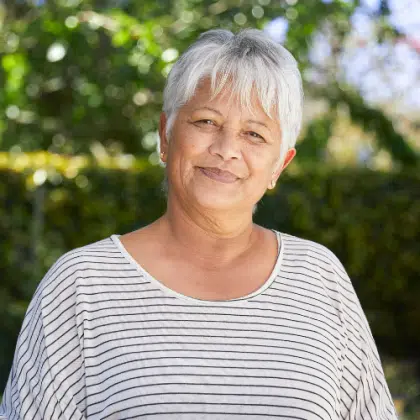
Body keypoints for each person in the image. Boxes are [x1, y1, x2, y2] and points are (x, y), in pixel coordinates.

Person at [0, 29, 398, 420]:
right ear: (165, 135)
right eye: (206, 121)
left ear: (280, 164)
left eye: (254, 134)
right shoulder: (81, 285)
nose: (226, 149)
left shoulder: (320, 278)